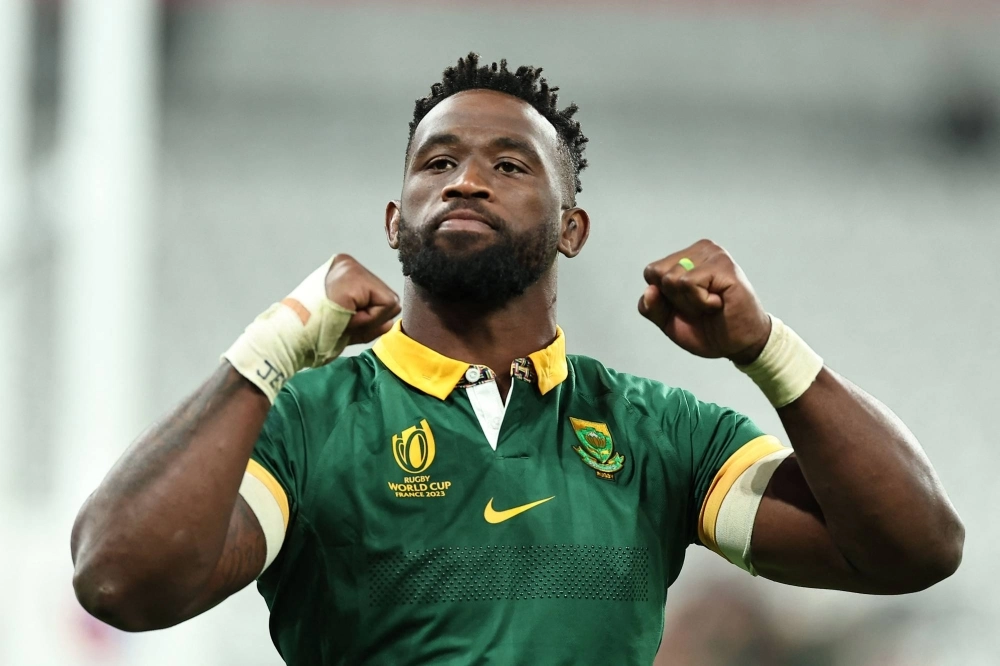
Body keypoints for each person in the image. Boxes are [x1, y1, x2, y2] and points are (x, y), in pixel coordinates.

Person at [70, 53, 964, 665]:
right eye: (438, 163)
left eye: (509, 166)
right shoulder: (310, 421)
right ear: (395, 221)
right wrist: (271, 347)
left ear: (572, 229)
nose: (465, 180)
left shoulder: (657, 434)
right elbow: (117, 580)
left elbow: (917, 549)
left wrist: (767, 351)